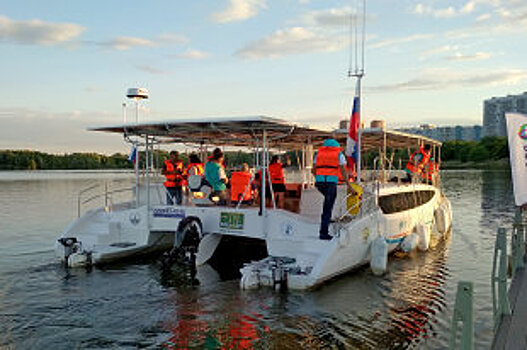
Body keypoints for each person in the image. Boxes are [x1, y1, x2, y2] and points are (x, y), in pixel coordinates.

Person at [312, 139, 356, 240]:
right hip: (331, 183)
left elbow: (313, 169)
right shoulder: (338, 154)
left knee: (328, 202)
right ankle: (323, 233)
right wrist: (349, 185)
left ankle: (326, 220)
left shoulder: (319, 154)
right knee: (328, 206)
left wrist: (318, 177)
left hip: (319, 183)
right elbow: (343, 171)